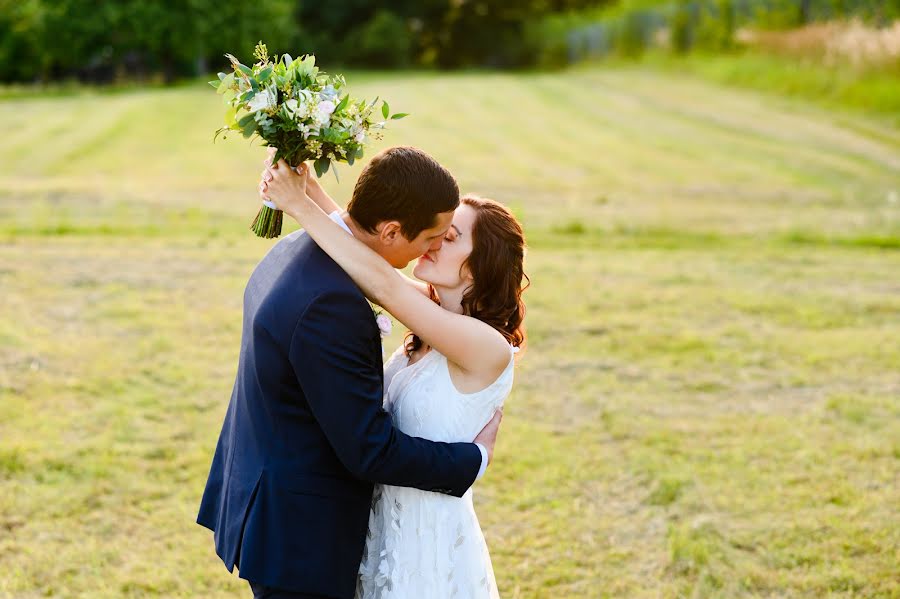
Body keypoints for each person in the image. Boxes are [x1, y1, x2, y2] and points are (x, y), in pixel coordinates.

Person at [197, 146, 504, 599]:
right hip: (299, 536)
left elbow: (378, 271)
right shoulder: (333, 302)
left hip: (286, 513)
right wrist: (472, 460)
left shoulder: (295, 250)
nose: (436, 245)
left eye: (449, 238)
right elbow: (369, 449)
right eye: (434, 236)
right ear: (393, 230)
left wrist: (306, 198)